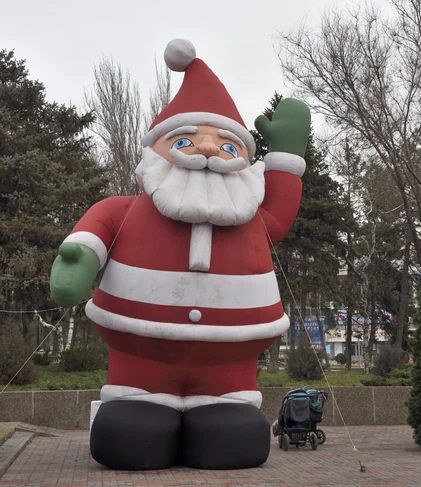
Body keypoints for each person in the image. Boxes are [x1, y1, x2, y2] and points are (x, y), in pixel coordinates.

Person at [49, 38, 311, 471]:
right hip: (140, 362)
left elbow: (280, 210)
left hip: (229, 370)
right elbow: (97, 228)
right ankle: (140, 406)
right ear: (155, 152)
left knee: (232, 436)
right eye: (186, 141)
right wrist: (79, 258)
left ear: (246, 160)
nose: (208, 150)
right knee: (130, 435)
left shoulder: (252, 216)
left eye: (228, 146)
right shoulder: (127, 210)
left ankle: (221, 410)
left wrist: (287, 153)